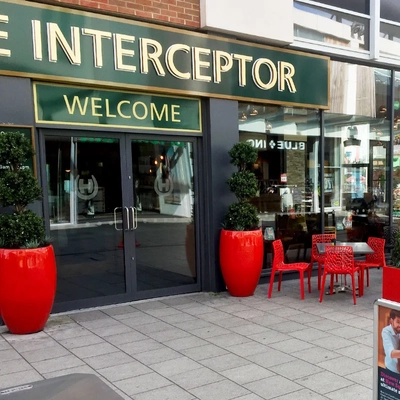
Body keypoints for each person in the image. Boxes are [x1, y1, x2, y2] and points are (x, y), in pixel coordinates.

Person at [382, 309, 400, 373]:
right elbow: (391, 353)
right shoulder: (386, 331)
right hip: (391, 370)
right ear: (391, 321)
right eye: (398, 322)